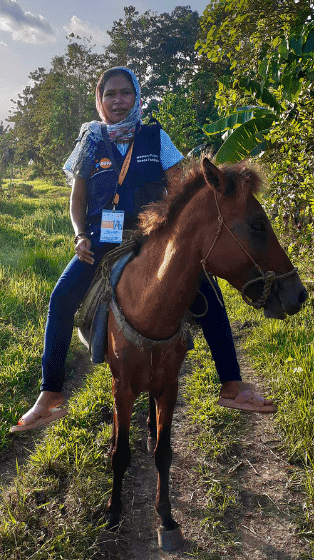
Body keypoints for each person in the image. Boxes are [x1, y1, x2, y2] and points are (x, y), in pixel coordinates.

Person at [12, 67, 272, 433]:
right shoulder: (90, 140)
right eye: (110, 94)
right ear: (99, 101)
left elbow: (178, 191)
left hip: (151, 238)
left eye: (125, 93)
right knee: (59, 299)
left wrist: (172, 233)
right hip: (100, 241)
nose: (118, 101)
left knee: (209, 293)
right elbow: (78, 197)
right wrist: (78, 235)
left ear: (137, 96)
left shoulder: (154, 136)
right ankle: (50, 394)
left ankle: (232, 384)